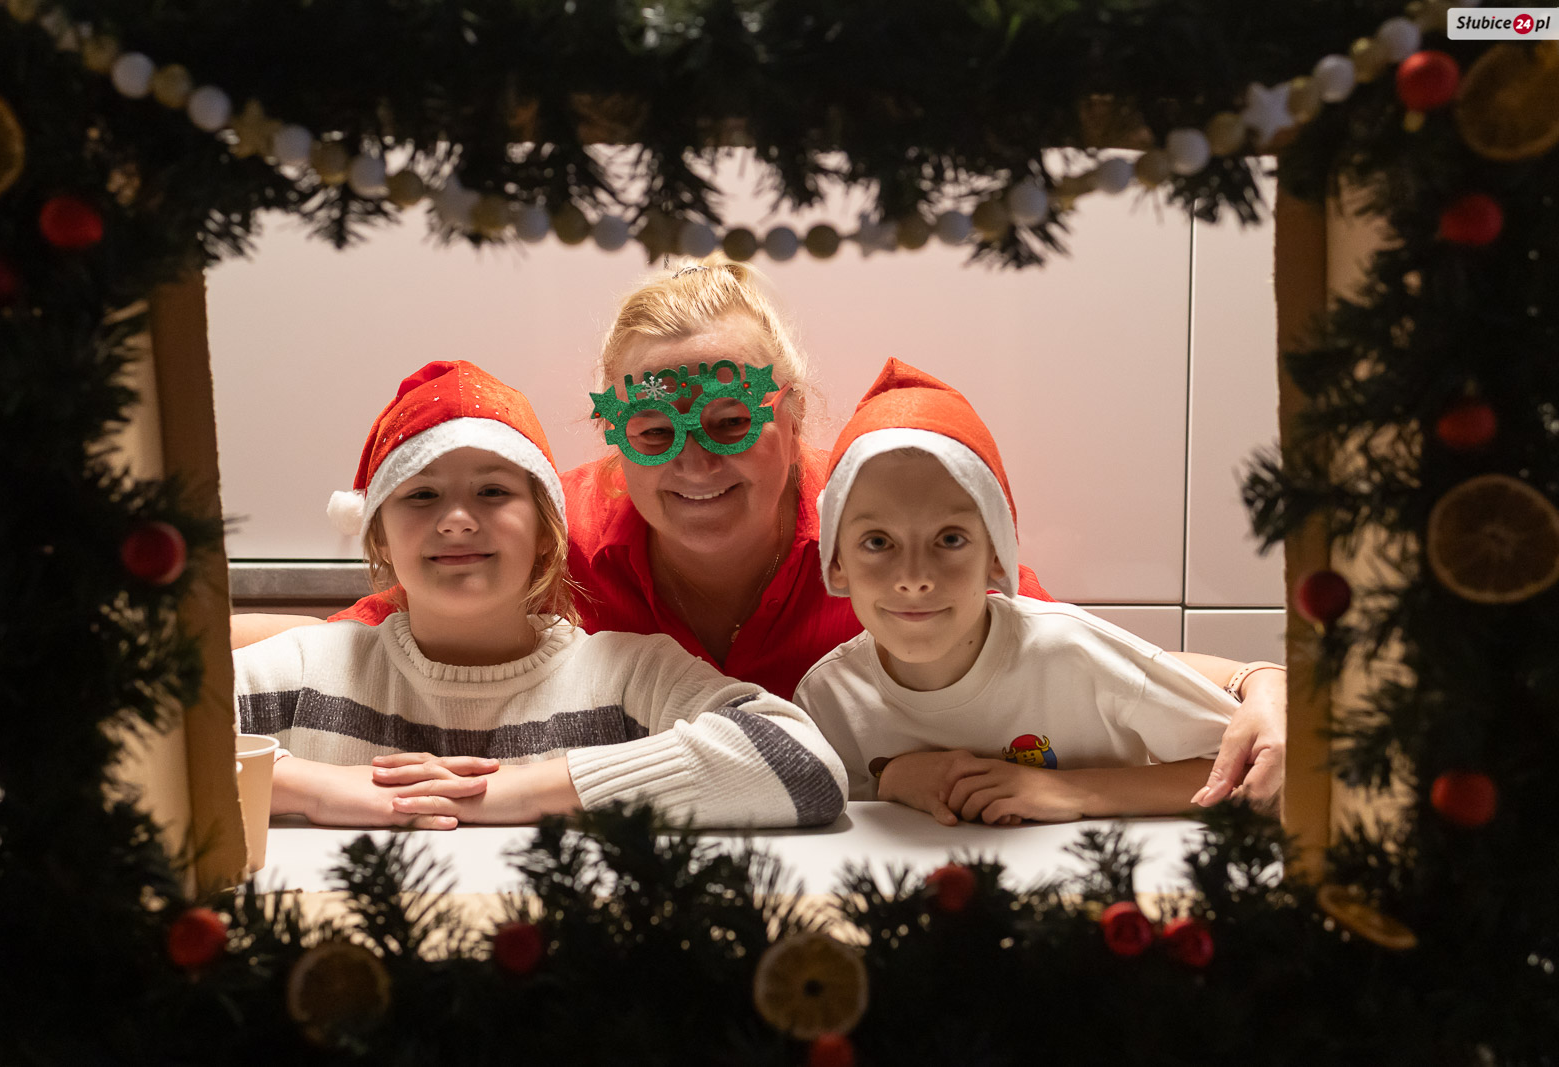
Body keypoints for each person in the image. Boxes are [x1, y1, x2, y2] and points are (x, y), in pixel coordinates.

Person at [234, 255, 1284, 808]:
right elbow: (352, 642)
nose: (695, 463)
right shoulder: (552, 538)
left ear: (793, 418)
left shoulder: (880, 527)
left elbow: (1056, 645)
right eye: (657, 433)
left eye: (731, 424)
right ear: (618, 438)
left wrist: (1258, 683)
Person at [233, 359, 847, 830]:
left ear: (547, 534)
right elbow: (167, 727)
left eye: (493, 492)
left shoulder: (627, 676)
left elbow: (804, 766)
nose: (457, 521)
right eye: (421, 495)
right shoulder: (308, 670)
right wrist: (310, 788)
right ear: (380, 539)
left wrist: (514, 793)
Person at [796, 359, 1239, 824]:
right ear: (836, 563)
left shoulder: (1073, 655)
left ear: (998, 555)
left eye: (950, 539)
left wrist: (1072, 792)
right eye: (877, 543)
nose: (913, 577)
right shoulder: (828, 701)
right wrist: (891, 781)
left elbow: (1248, 771)